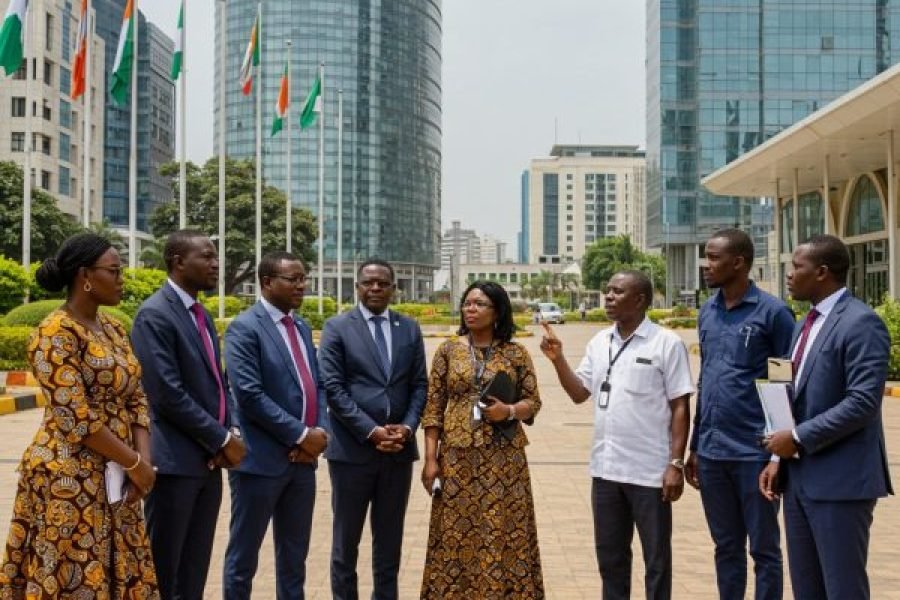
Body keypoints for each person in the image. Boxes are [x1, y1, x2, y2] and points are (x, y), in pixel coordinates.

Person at [0, 233, 159, 598]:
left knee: (123, 571)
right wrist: (135, 463)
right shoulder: (54, 333)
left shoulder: (116, 329)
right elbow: (77, 419)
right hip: (69, 479)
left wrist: (142, 464)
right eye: (114, 271)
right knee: (73, 575)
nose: (122, 279)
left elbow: (136, 397)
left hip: (119, 478)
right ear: (85, 275)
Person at [540, 270, 693, 600]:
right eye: (607, 291)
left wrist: (675, 464)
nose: (608, 297)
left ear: (639, 299)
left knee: (657, 561)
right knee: (610, 560)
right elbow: (580, 393)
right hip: (606, 471)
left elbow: (681, 406)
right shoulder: (599, 342)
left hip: (650, 473)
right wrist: (558, 359)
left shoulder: (666, 343)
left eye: (617, 292)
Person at [761, 235, 892, 599]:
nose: (789, 276)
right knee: (807, 589)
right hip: (798, 478)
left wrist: (798, 436)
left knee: (843, 589)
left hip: (841, 481)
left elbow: (863, 402)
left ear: (821, 272)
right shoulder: (803, 323)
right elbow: (781, 383)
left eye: (796, 268)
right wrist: (775, 454)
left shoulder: (861, 323)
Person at [131, 230, 246, 600]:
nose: (216, 264)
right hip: (174, 465)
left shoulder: (199, 313)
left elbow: (216, 383)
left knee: (194, 571)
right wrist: (222, 438)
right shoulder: (154, 314)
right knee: (165, 570)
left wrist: (230, 430)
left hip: (207, 463)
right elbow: (166, 394)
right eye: (207, 257)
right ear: (179, 262)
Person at [685, 228, 795, 600]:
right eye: (706, 256)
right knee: (725, 547)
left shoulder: (775, 313)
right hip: (713, 453)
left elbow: (784, 385)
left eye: (714, 258)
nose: (706, 265)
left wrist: (777, 456)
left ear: (739, 262)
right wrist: (696, 446)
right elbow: (708, 382)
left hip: (754, 454)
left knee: (764, 550)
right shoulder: (708, 311)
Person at [420, 281, 544, 598]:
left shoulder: (515, 353)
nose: (471, 309)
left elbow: (534, 402)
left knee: (504, 528)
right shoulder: (448, 350)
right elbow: (433, 407)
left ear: (498, 311)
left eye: (479, 304)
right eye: (467, 303)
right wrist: (431, 459)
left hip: (505, 459)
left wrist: (511, 410)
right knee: (455, 531)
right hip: (457, 458)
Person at [318, 259, 428, 600]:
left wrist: (408, 428)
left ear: (394, 288)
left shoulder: (408, 328)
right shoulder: (337, 328)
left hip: (398, 453)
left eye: (383, 283)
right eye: (369, 283)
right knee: (345, 543)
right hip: (352, 452)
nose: (376, 288)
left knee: (389, 542)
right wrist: (371, 431)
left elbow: (419, 386)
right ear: (358, 287)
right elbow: (333, 389)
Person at [222, 252, 328, 600]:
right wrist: (301, 434)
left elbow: (318, 386)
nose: (302, 285)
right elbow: (249, 395)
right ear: (267, 282)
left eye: (303, 278)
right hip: (260, 463)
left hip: (302, 463)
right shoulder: (244, 327)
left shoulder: (299, 325)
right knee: (244, 558)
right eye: (292, 279)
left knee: (294, 558)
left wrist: (319, 432)